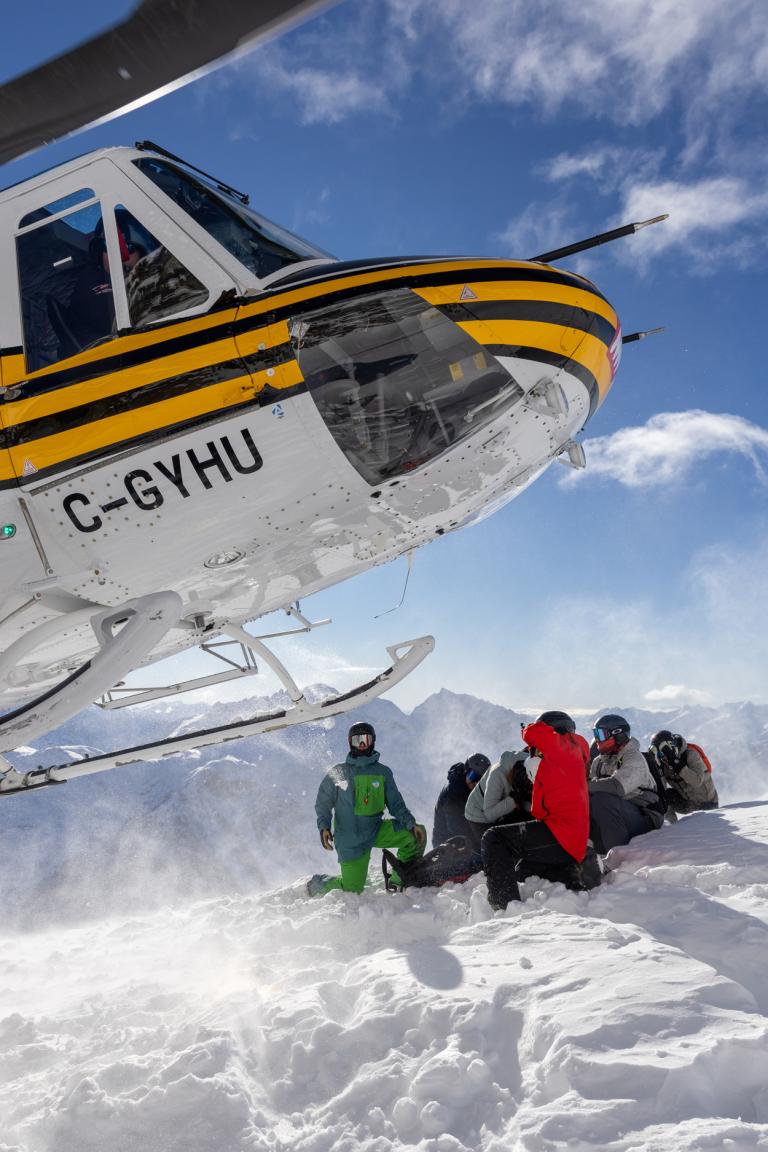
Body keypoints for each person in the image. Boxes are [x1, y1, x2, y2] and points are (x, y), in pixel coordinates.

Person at [481, 711, 597, 911]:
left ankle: (503, 906)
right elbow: (542, 809)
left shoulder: (565, 748)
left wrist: (529, 729)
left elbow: (535, 734)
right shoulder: (566, 757)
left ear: (555, 732)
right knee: (522, 871)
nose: (534, 752)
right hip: (566, 836)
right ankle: (569, 873)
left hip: (562, 835)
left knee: (494, 838)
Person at [308, 721, 426, 896]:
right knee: (352, 890)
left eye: (366, 739)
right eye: (357, 740)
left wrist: (410, 823)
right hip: (350, 840)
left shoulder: (383, 772)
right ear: (350, 742)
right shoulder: (339, 772)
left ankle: (400, 879)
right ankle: (319, 884)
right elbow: (323, 802)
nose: (362, 744)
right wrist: (324, 827)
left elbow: (396, 804)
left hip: (375, 830)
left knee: (416, 836)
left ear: (373, 741)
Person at [588, 713, 664, 853]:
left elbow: (617, 787)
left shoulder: (633, 757)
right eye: (596, 734)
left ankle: (618, 856)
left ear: (618, 735)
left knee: (601, 800)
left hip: (646, 815)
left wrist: (581, 787)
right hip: (621, 813)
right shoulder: (598, 762)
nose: (597, 739)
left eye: (601, 734)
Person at [463, 748, 532, 850]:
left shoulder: (530, 762)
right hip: (479, 817)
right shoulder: (496, 776)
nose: (475, 782)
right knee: (503, 845)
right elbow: (490, 815)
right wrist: (513, 799)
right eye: (472, 776)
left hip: (500, 801)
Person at [649, 731, 719, 818]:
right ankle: (673, 825)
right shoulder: (665, 764)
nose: (663, 757)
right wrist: (658, 770)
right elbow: (661, 788)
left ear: (671, 746)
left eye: (663, 752)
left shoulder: (691, 754)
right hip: (689, 804)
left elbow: (697, 781)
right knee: (663, 797)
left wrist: (677, 765)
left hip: (708, 804)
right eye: (659, 754)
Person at [432, 752, 491, 848]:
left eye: (481, 780)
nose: (475, 783)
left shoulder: (478, 792)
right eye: (473, 776)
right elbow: (456, 828)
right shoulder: (453, 793)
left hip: (466, 840)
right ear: (466, 772)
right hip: (446, 845)